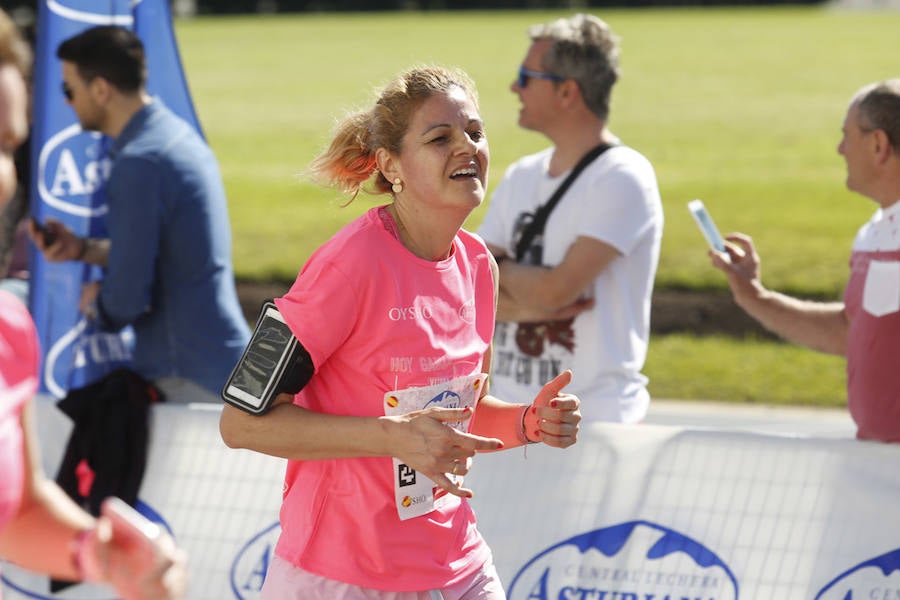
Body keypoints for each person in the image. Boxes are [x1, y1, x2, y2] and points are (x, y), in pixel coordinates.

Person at [219, 65, 582, 599]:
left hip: (457, 566)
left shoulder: (480, 265)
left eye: (475, 133)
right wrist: (391, 437)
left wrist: (530, 422)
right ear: (392, 166)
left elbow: (461, 416)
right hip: (339, 577)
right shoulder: (345, 266)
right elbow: (240, 423)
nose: (467, 148)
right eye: (440, 138)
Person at [0, 9, 186, 599]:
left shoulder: (9, 328)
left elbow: (19, 508)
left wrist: (99, 555)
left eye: (10, 147)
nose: (6, 179)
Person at [28, 25, 249, 403]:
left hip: (186, 371)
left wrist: (98, 305)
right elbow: (168, 254)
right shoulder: (171, 136)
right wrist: (82, 249)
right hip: (213, 361)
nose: (67, 102)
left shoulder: (140, 162)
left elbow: (127, 297)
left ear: (100, 89)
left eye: (70, 90)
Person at [477, 14, 664, 424]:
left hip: (592, 420)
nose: (514, 87)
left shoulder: (622, 177)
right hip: (513, 418)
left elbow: (554, 293)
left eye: (526, 77)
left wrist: (501, 270)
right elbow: (469, 292)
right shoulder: (522, 175)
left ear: (566, 91)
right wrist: (530, 303)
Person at [709, 79, 900, 443]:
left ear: (878, 145)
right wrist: (754, 297)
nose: (840, 148)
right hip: (875, 471)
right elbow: (850, 331)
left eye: (848, 135)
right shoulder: (874, 234)